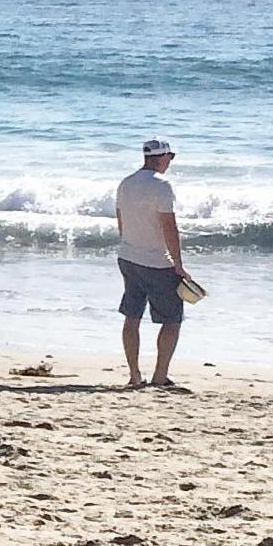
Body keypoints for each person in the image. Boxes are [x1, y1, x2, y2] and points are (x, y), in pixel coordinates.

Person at [115, 137, 192, 391]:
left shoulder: (126, 183)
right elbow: (169, 227)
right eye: (169, 157)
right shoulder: (162, 186)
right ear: (162, 157)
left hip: (127, 257)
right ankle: (160, 375)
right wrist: (178, 264)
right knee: (172, 318)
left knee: (132, 315)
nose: (169, 162)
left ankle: (135, 375)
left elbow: (121, 222)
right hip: (156, 262)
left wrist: (129, 245)